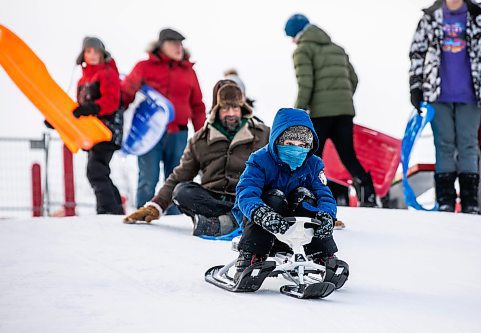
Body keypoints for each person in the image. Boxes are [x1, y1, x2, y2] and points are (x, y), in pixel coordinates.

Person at [123, 81, 270, 236]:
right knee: (182, 191)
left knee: (270, 194)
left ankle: (220, 223)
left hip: (247, 197)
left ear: (242, 108)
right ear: (217, 110)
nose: (231, 113)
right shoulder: (199, 140)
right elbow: (180, 176)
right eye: (226, 108)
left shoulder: (262, 134)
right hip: (212, 200)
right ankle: (233, 219)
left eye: (235, 107)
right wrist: (156, 205)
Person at [409, 0, 481, 214]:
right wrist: (415, 85)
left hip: (472, 94)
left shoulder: (479, 15)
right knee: (444, 145)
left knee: (468, 144)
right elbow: (417, 53)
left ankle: (470, 201)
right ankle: (446, 200)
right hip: (437, 94)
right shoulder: (430, 17)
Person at [232, 108, 341, 282]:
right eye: (290, 144)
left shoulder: (313, 165)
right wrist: (262, 213)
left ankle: (324, 255)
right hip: (262, 222)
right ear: (278, 140)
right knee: (274, 196)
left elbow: (324, 195)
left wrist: (327, 215)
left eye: (303, 146)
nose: (296, 150)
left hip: (296, 229)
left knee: (305, 196)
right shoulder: (260, 160)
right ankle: (251, 256)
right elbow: (245, 193)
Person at [284, 14, 377, 207]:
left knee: (311, 156)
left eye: (291, 37)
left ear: (297, 34)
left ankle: (306, 195)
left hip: (321, 113)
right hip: (344, 111)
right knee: (348, 156)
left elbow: (305, 85)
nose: (292, 42)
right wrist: (342, 99)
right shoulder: (337, 49)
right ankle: (368, 193)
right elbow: (354, 79)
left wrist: (296, 114)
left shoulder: (303, 50)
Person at [121, 28, 206, 213]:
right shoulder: (143, 67)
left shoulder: (189, 72)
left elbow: (197, 106)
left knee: (177, 179)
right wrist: (119, 124)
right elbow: (125, 94)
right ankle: (143, 215)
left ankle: (175, 219)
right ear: (162, 45)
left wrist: (202, 135)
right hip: (149, 134)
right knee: (148, 178)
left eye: (180, 43)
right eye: (173, 43)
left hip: (179, 134)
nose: (178, 47)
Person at [44, 37, 124, 215]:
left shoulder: (108, 73)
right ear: (84, 54)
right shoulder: (82, 80)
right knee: (99, 170)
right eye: (89, 51)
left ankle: (108, 210)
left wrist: (91, 108)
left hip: (107, 130)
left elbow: (111, 102)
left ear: (103, 54)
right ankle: (116, 207)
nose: (93, 55)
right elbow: (76, 110)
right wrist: (57, 120)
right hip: (91, 133)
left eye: (96, 51)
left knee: (95, 170)